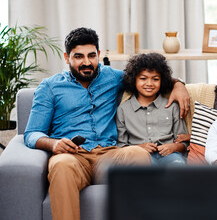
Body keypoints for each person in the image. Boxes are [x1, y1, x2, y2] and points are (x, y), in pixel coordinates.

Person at [24, 28, 190, 220]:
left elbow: (148, 76)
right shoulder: (49, 87)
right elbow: (32, 133)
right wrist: (54, 144)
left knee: (137, 153)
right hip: (73, 157)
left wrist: (179, 85)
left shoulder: (112, 77)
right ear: (67, 57)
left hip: (109, 156)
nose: (86, 62)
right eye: (78, 56)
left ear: (99, 55)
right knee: (61, 164)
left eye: (91, 56)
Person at [116, 53, 188, 165]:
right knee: (147, 169)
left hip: (171, 156)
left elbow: (184, 143)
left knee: (178, 166)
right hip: (140, 156)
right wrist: (139, 148)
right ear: (134, 80)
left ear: (162, 81)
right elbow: (121, 145)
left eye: (155, 79)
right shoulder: (123, 110)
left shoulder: (172, 107)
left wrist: (173, 147)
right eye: (143, 78)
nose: (149, 84)